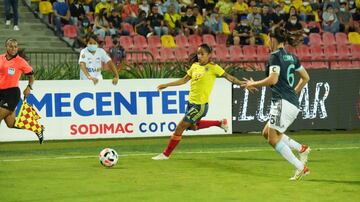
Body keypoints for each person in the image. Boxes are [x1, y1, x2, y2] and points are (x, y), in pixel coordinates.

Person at [151, 43, 255, 160]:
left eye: (202, 54)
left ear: (209, 55)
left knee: (180, 127)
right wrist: (166, 85)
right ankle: (219, 123)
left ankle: (165, 154)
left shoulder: (213, 67)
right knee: (192, 127)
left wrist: (242, 83)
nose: (199, 56)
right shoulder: (194, 66)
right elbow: (184, 80)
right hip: (191, 103)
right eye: (198, 54)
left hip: (200, 106)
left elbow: (229, 77)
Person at [241, 25, 311, 181]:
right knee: (266, 132)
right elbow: (306, 78)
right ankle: (301, 148)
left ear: (272, 39)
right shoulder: (292, 57)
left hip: (282, 103)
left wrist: (253, 84)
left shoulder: (275, 56)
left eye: (267, 38)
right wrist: (293, 93)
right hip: (289, 102)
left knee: (273, 139)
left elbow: (273, 79)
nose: (267, 42)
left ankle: (301, 168)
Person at [0, 38, 44, 144]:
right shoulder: (1, 58)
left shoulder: (20, 62)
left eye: (15, 46)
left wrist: (29, 87)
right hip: (0, 93)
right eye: (11, 46)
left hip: (11, 93)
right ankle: (37, 128)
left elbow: (31, 76)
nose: (13, 48)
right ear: (6, 47)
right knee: (11, 124)